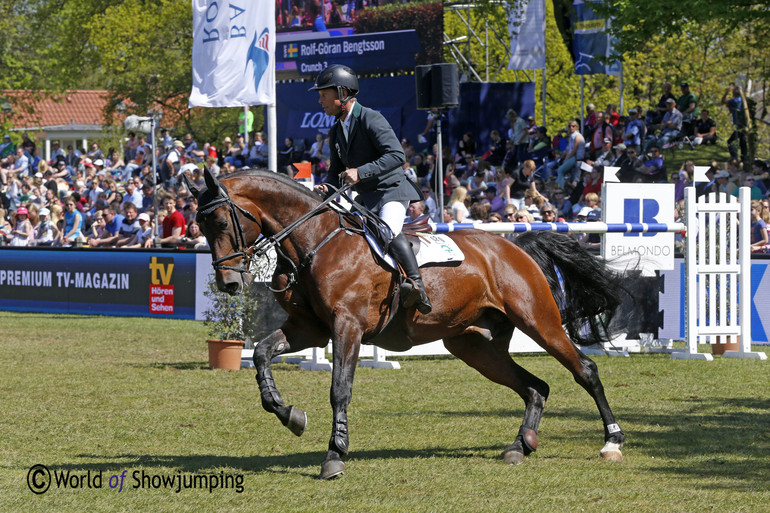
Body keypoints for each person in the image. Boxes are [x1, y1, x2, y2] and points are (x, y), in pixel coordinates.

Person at [310, 64, 431, 313]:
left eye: (324, 94)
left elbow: (397, 155)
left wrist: (360, 172)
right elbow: (335, 172)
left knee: (387, 230)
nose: (320, 100)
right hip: (365, 198)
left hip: (391, 191)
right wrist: (326, 186)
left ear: (342, 94)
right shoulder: (336, 130)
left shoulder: (371, 118)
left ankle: (417, 285)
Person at [721, 85, 748, 163]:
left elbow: (723, 101)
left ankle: (734, 157)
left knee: (731, 141)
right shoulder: (743, 100)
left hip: (739, 124)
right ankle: (744, 158)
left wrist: (726, 92)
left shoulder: (735, 100)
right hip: (744, 124)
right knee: (742, 141)